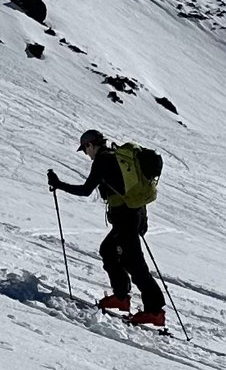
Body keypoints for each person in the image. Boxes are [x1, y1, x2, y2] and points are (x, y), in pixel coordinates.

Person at [48, 129, 165, 326]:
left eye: (85, 149)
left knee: (133, 262)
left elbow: (86, 190)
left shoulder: (103, 160)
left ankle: (154, 311)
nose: (87, 154)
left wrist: (59, 184)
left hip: (125, 216)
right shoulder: (116, 156)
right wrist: (141, 220)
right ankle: (121, 297)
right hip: (133, 213)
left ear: (90, 145)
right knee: (109, 250)